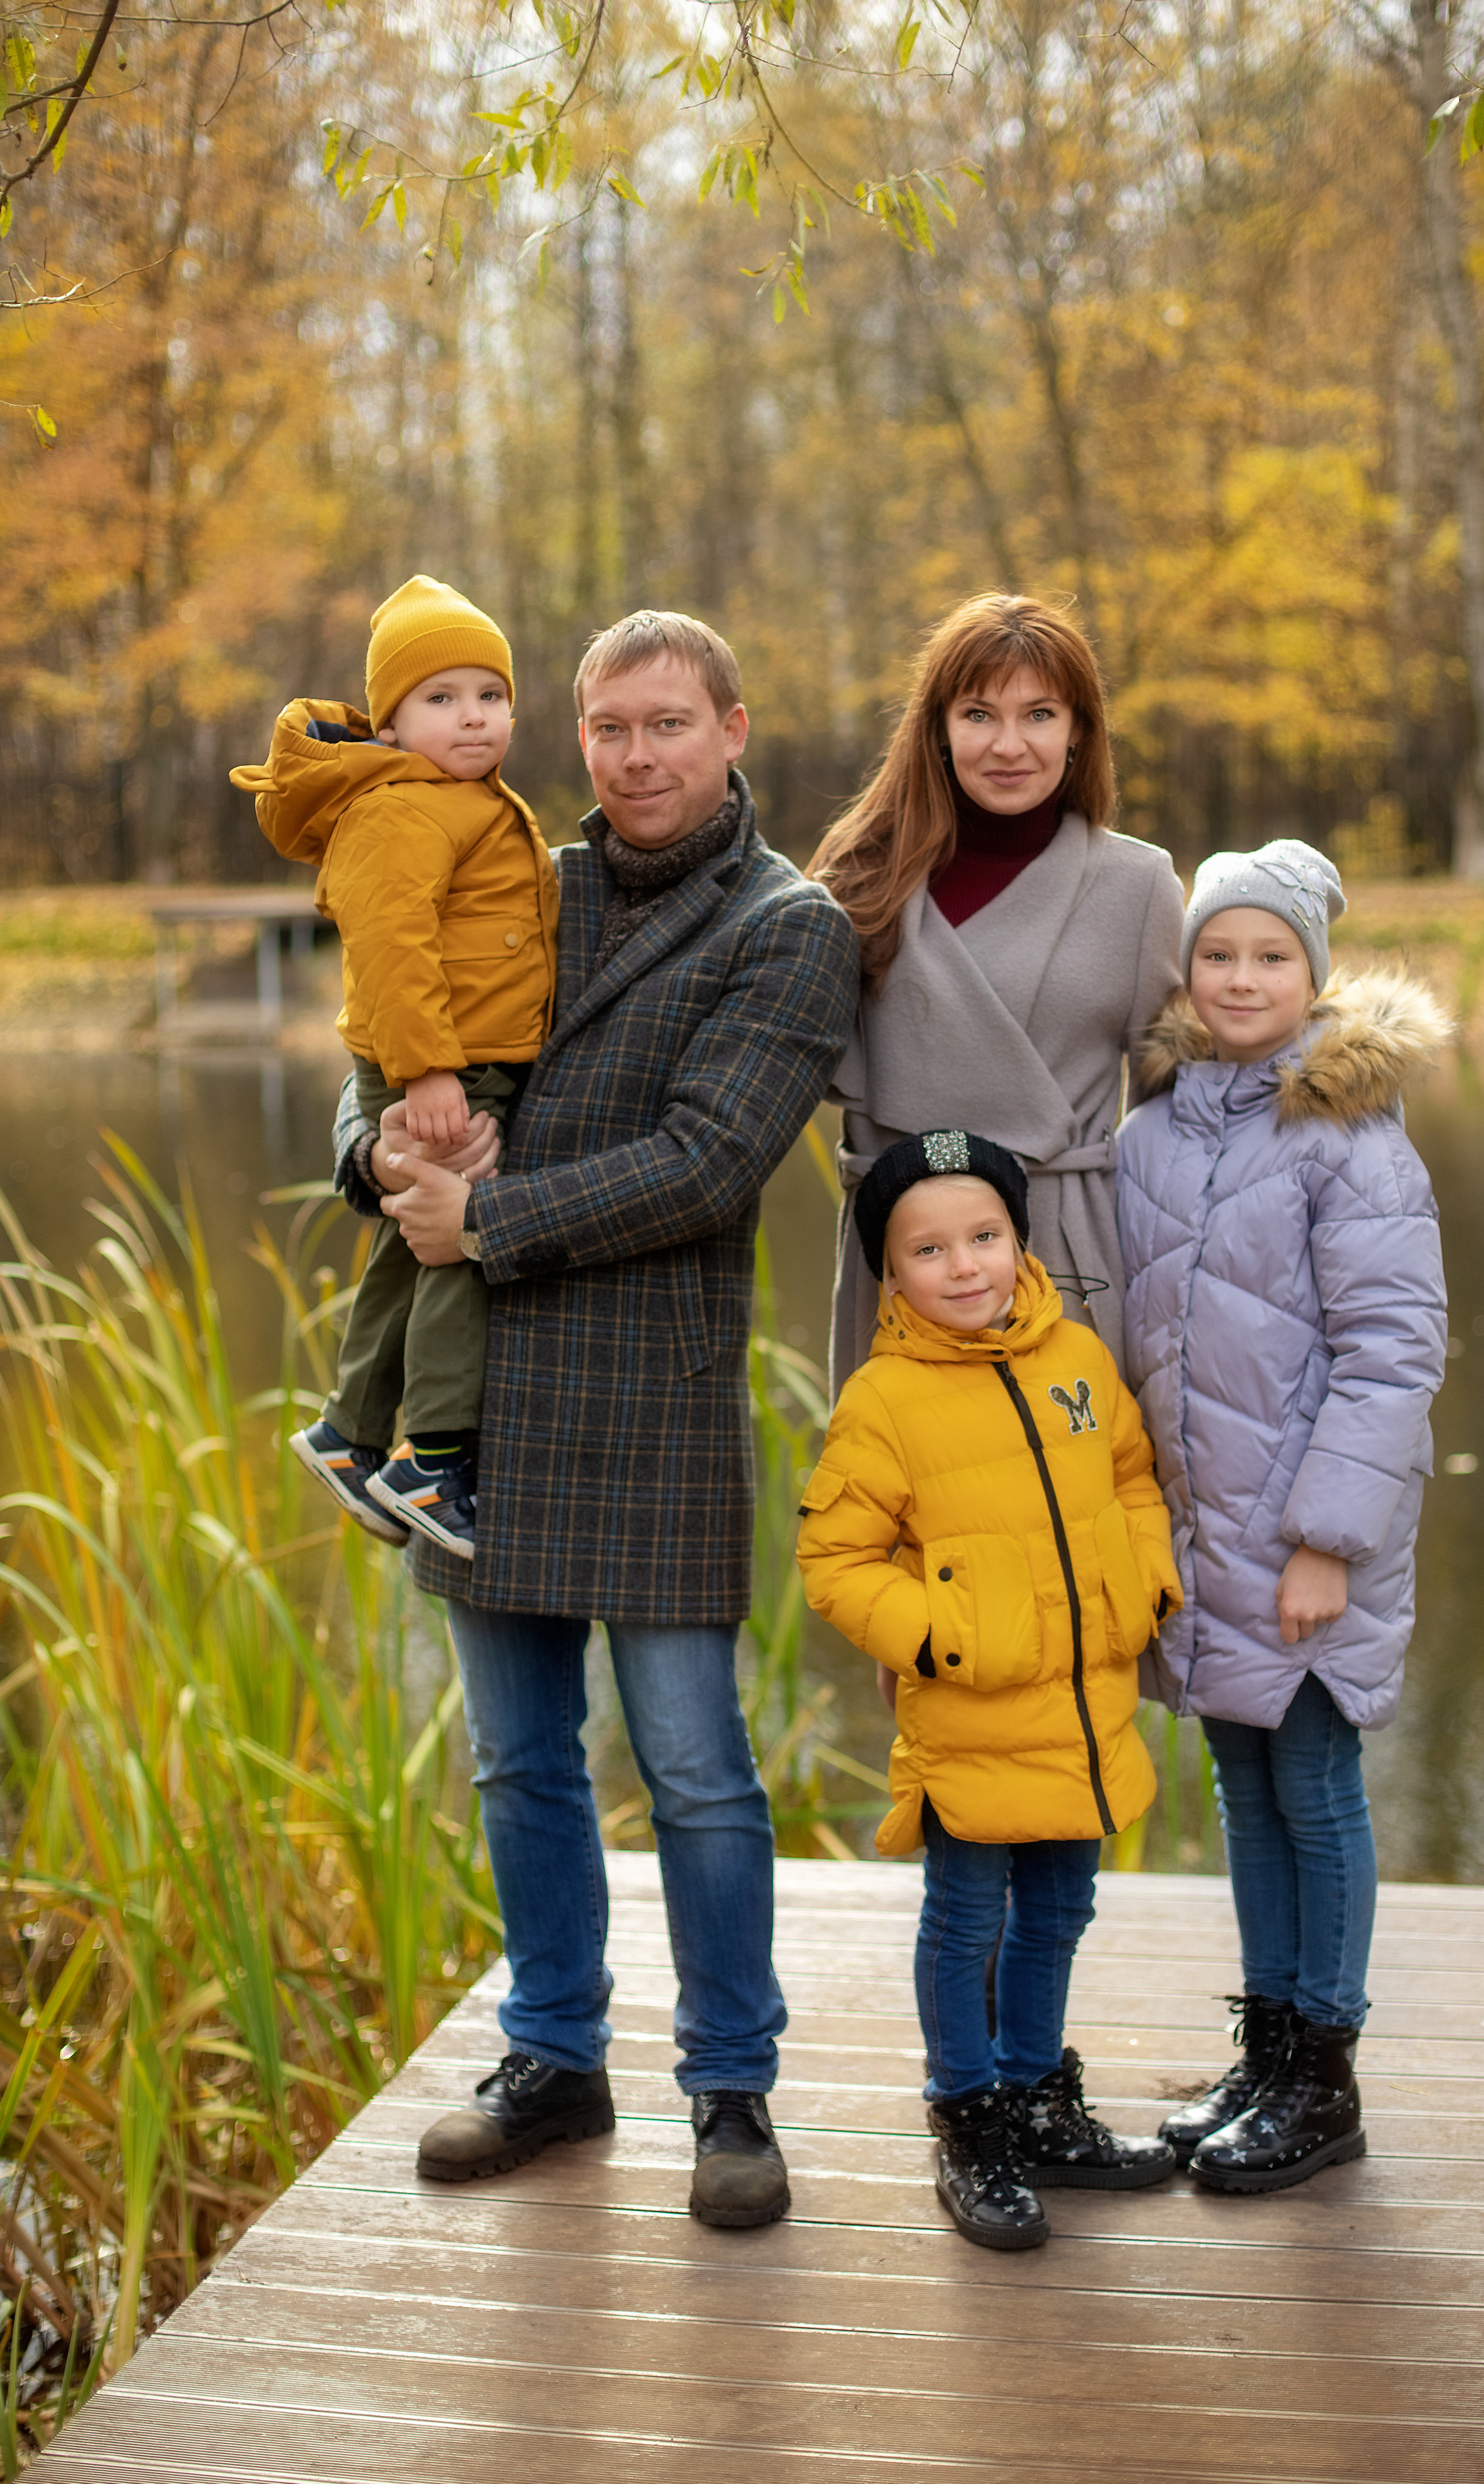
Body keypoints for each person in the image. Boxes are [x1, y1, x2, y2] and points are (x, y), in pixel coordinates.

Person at [329, 609, 861, 2228]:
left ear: (731, 729)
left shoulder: (788, 925)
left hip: (650, 1401)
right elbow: (381, 1031)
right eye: (609, 729)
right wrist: (383, 1161)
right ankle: (553, 2059)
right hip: (478, 1405)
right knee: (517, 1761)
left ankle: (730, 2091)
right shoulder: (517, 871)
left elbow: (710, 1157)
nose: (635, 756)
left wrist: (478, 1223)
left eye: (666, 724)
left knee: (698, 1768)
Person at [1115, 841, 1450, 2194]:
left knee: (1311, 1790)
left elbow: (1392, 1347)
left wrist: (1327, 1539)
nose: (1240, 976)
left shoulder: (1344, 1133)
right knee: (1240, 1793)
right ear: (1184, 969)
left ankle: (1324, 2079)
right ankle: (1264, 2050)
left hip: (1312, 1533)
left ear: (1310, 977)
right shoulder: (1148, 1130)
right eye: (1218, 952)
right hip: (1203, 1533)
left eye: (1270, 956)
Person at [796, 1131, 1181, 2250]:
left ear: (1019, 1241)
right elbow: (836, 1560)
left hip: (1084, 1709)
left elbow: (1131, 1476)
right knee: (967, 1923)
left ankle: (1035, 2097)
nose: (964, 1266)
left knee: (1060, 1912)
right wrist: (939, 1638)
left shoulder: (1078, 1363)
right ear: (890, 1270)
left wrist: (1143, 1585)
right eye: (929, 1248)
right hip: (971, 1716)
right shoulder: (885, 1400)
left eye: (984, 1237)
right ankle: (968, 2119)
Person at [232, 575, 558, 1560]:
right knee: (459, 1245)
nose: (473, 718)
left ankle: (349, 1432)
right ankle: (434, 1456)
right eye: (442, 699)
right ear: (392, 721)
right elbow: (391, 948)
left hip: (453, 1060)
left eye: (489, 696)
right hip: (443, 1067)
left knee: (407, 1249)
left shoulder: (454, 799)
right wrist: (427, 1076)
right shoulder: (401, 809)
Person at [807, 593, 1184, 1403]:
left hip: (1061, 1257)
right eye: (979, 713)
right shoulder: (857, 876)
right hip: (901, 1263)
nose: (1009, 745)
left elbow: (1179, 1115)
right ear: (938, 728)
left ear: (1079, 729)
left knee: (1065, 1512)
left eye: (1040, 714)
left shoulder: (1139, 886)